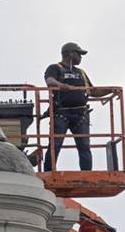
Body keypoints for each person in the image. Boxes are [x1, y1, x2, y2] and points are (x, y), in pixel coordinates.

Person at [43, 43, 112, 171]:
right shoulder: (55, 68)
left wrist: (111, 90)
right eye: (79, 54)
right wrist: (62, 86)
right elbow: (50, 81)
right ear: (70, 54)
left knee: (84, 146)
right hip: (61, 113)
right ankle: (49, 172)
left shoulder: (81, 73)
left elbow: (92, 91)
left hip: (81, 114)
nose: (81, 57)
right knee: (55, 145)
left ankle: (87, 174)